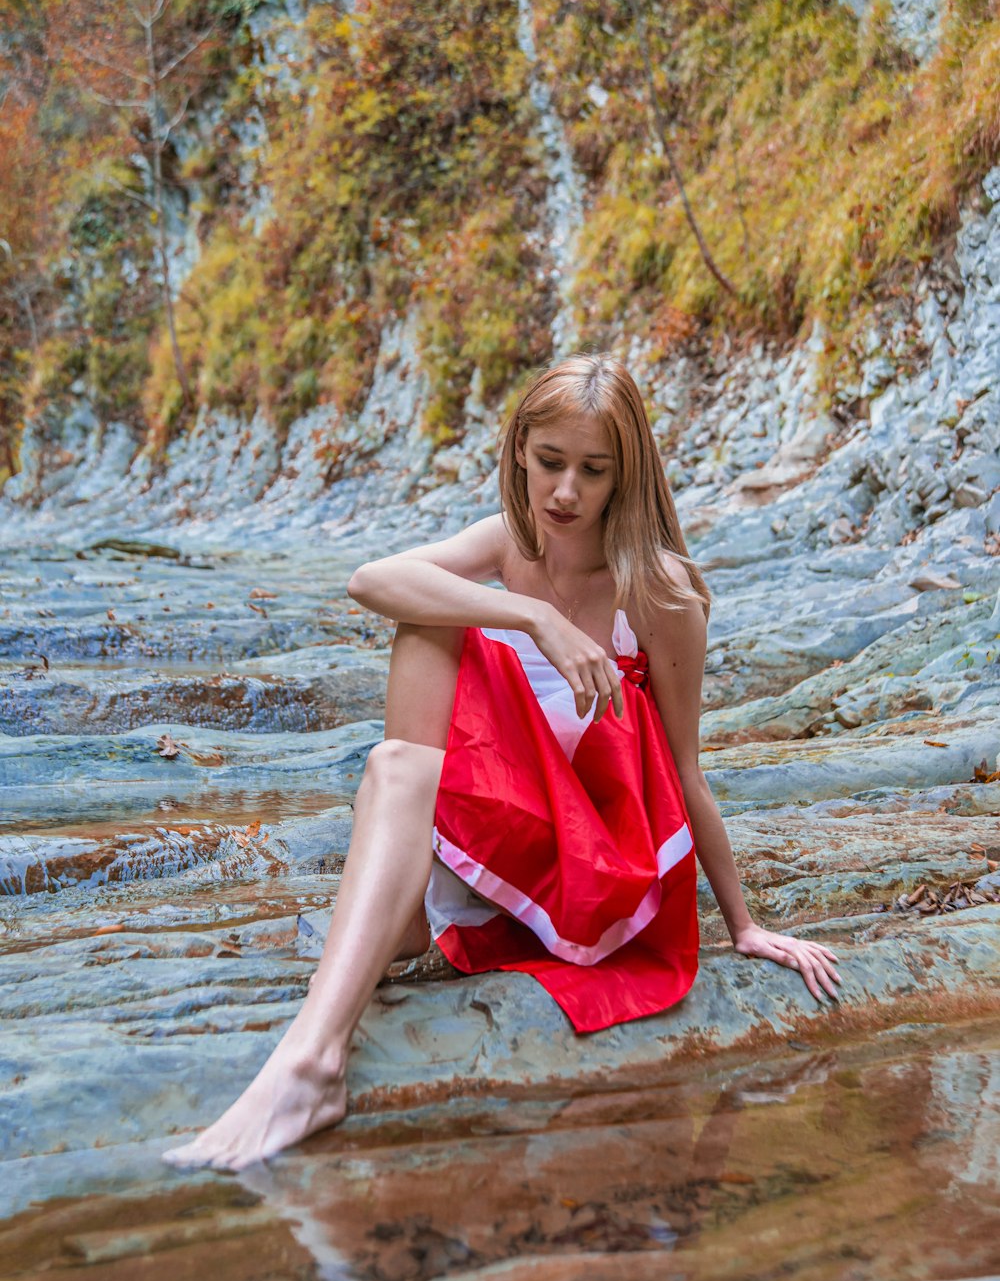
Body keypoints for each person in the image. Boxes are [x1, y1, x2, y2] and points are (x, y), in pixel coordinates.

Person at [163, 352, 840, 1173]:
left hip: (599, 859)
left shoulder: (659, 592)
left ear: (626, 477)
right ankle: (340, 1016)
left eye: (593, 472)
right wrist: (529, 615)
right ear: (519, 448)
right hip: (510, 818)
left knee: (432, 627)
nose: (564, 493)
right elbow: (370, 578)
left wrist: (745, 925)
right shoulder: (507, 547)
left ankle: (314, 1059)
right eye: (550, 462)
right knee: (424, 629)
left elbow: (686, 771)